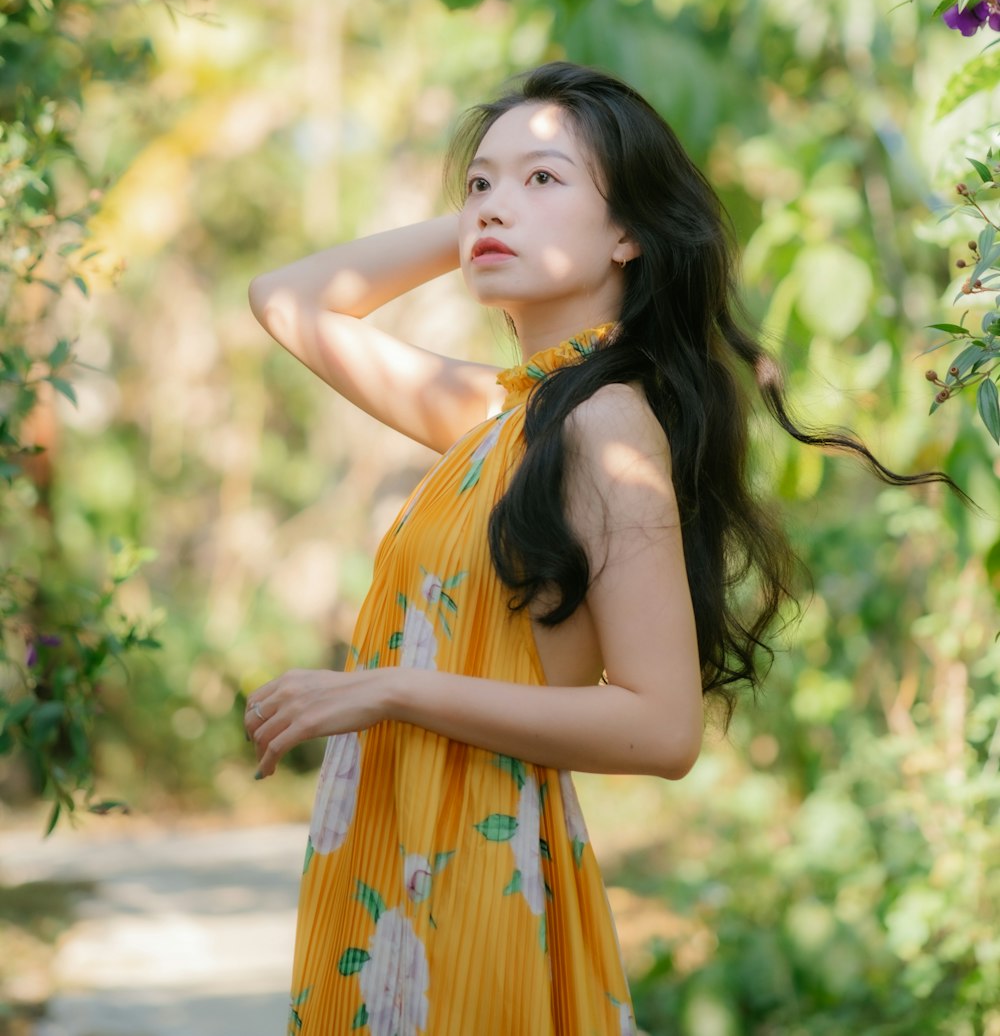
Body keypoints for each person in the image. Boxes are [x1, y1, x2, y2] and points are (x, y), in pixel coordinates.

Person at [244, 61, 950, 1036]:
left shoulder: (607, 429)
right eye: (479, 183)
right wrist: (487, 229)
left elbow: (661, 727)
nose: (494, 205)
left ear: (627, 233)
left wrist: (390, 689)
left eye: (543, 179)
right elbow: (287, 300)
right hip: (401, 862)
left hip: (477, 881)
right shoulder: (508, 414)